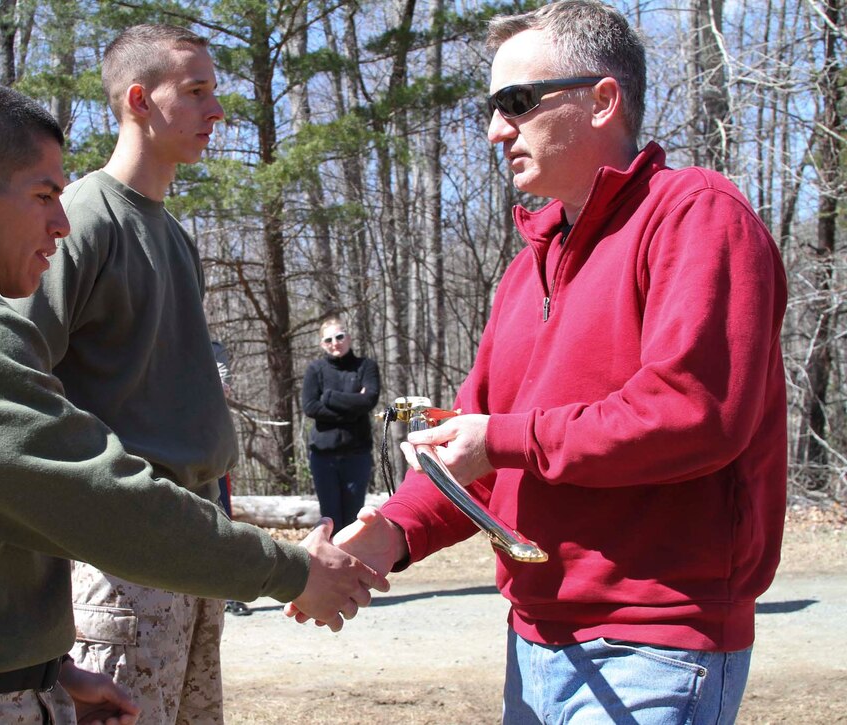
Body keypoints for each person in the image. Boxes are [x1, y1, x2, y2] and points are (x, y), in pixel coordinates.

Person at [0, 79, 385, 724]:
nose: (62, 221)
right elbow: (95, 502)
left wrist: (46, 675)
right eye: (44, 195)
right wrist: (290, 569)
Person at [320, 2, 788, 722]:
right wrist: (392, 530)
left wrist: (500, 438)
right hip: (533, 643)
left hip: (655, 646)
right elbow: (471, 443)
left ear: (603, 100)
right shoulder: (525, 270)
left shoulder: (696, 215)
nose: (495, 128)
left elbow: (694, 414)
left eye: (517, 102)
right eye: (491, 106)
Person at [7, 24, 259, 723]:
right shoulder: (84, 219)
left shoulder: (172, 232)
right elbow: (14, 379)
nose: (217, 111)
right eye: (198, 91)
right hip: (121, 570)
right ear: (140, 101)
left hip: (194, 549)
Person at [301, 318, 381, 534]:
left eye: (339, 336)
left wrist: (328, 397)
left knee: (354, 517)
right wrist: (353, 407)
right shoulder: (315, 370)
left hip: (357, 454)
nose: (335, 343)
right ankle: (331, 565)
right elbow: (310, 407)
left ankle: (352, 564)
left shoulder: (366, 367)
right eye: (328, 339)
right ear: (322, 344)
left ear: (349, 337)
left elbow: (369, 401)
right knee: (330, 518)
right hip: (323, 457)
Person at [211, 340, 252, 617]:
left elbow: (220, 386)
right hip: (169, 447)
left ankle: (227, 592)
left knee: (221, 517)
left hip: (212, 444)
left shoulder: (213, 347)